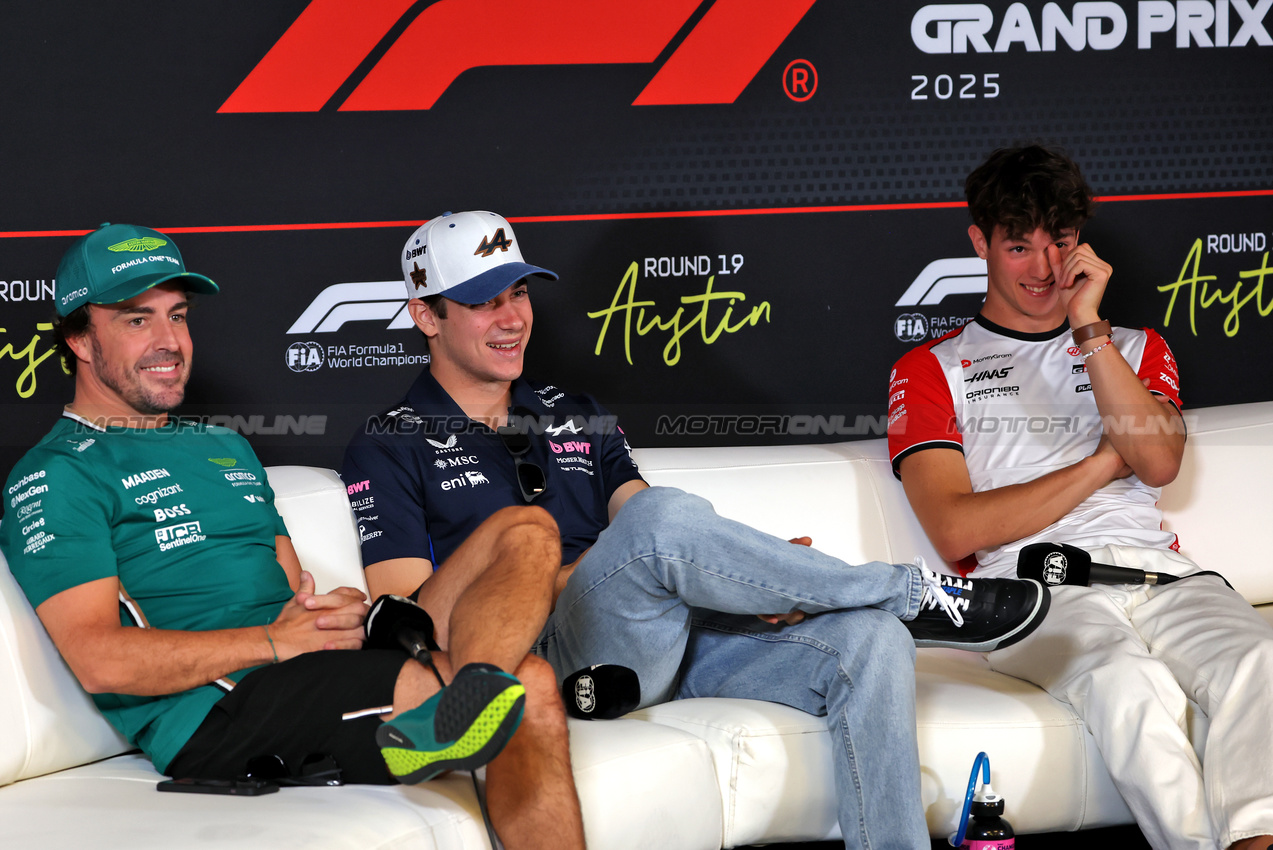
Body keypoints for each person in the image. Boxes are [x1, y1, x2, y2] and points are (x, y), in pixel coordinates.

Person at [342, 209, 1053, 849]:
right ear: (426, 316)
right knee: (657, 527)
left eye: (519, 294)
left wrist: (750, 573)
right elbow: (417, 618)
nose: (511, 318)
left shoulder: (573, 409)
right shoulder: (388, 441)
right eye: (482, 302)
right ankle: (907, 591)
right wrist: (629, 566)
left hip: (653, 637)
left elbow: (653, 523)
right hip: (539, 654)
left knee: (871, 641)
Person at [0, 223, 584, 850]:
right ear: (79, 339)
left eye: (178, 315)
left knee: (528, 529)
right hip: (219, 708)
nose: (169, 340)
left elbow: (290, 590)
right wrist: (275, 642)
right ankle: (463, 706)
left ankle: (467, 699)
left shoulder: (225, 446)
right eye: (137, 320)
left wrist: (331, 613)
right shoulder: (57, 473)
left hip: (297, 664)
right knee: (529, 689)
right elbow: (98, 659)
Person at [886, 145, 1273, 850]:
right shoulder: (932, 368)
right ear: (979, 243)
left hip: (1164, 577)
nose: (1043, 268)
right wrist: (1100, 464)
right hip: (1035, 591)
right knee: (1129, 684)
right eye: (1018, 247)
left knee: (1261, 661)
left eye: (1059, 242)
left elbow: (1157, 461)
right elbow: (955, 530)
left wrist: (1088, 328)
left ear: (1081, 241)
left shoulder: (1133, 346)